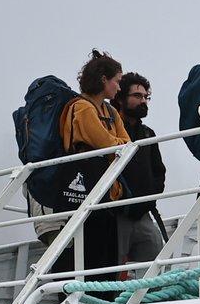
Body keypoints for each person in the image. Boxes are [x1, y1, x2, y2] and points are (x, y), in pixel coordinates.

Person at [53, 49, 130, 278]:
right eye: (117, 81)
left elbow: (126, 144)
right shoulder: (83, 107)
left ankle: (98, 298)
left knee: (104, 251)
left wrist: (116, 145)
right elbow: (107, 143)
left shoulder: (110, 111)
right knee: (92, 250)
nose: (119, 87)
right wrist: (117, 145)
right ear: (104, 79)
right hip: (89, 188)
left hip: (104, 189)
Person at [113, 72, 167, 272]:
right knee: (113, 269)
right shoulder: (110, 131)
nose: (143, 101)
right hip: (116, 214)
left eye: (146, 97)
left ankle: (149, 300)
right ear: (120, 98)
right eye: (137, 96)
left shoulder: (147, 134)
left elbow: (158, 171)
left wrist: (149, 199)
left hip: (143, 213)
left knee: (155, 255)